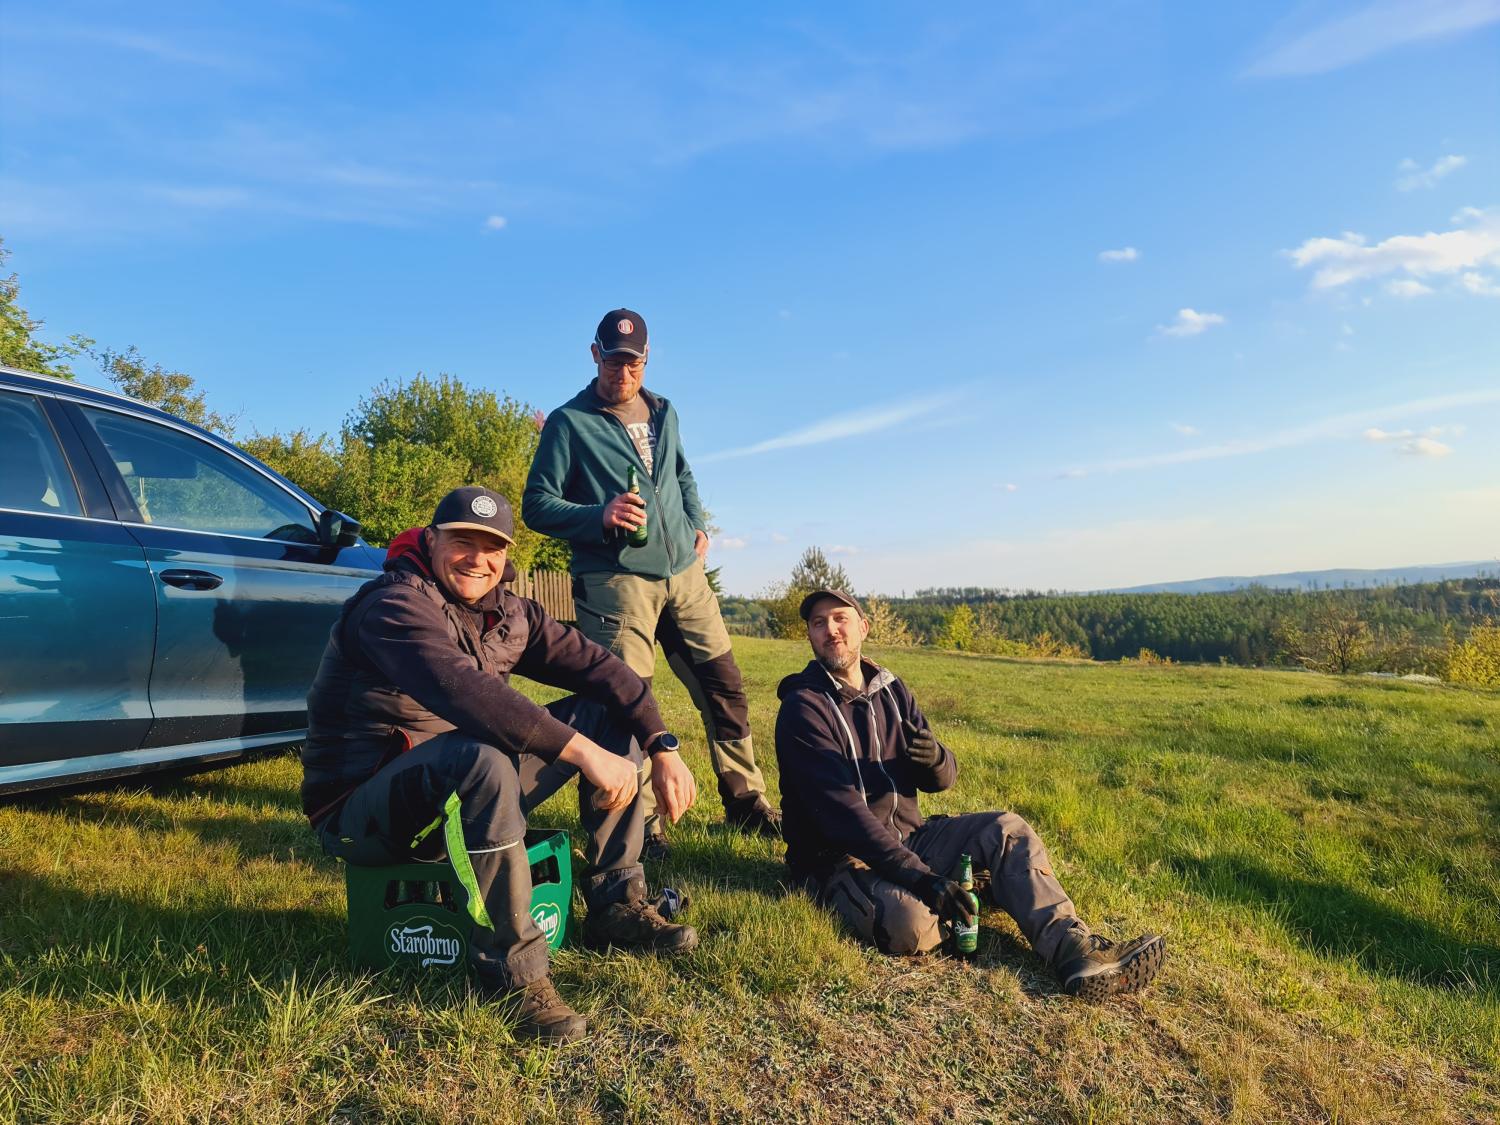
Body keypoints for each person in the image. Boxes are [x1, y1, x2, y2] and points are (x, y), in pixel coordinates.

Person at [301, 486, 701, 1043]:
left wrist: (661, 745)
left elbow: (607, 671)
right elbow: (465, 692)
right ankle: (513, 973)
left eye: (492, 547)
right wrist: (585, 755)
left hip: (466, 787)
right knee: (483, 755)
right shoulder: (391, 605)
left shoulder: (509, 614)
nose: (478, 559)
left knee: (605, 714)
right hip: (365, 812)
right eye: (462, 541)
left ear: (506, 554)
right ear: (431, 540)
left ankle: (617, 906)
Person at [775, 589, 1166, 1000]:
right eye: (818, 623)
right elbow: (844, 817)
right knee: (908, 923)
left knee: (1007, 830)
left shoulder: (891, 690)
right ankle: (985, 888)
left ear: (863, 627)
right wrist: (924, 880)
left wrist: (935, 759)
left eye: (840, 618)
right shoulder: (804, 708)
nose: (831, 630)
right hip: (840, 859)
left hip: (910, 837)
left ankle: (1074, 950)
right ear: (810, 636)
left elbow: (943, 779)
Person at [522, 308, 779, 856]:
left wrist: (696, 523)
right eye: (613, 361)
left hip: (684, 574)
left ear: (647, 358)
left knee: (724, 685)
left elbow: (682, 474)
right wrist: (600, 515)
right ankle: (638, 826)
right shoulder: (570, 423)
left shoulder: (664, 411)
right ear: (594, 355)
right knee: (622, 703)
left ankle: (745, 798)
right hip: (615, 583)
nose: (624, 373)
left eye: (634, 363)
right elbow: (536, 504)